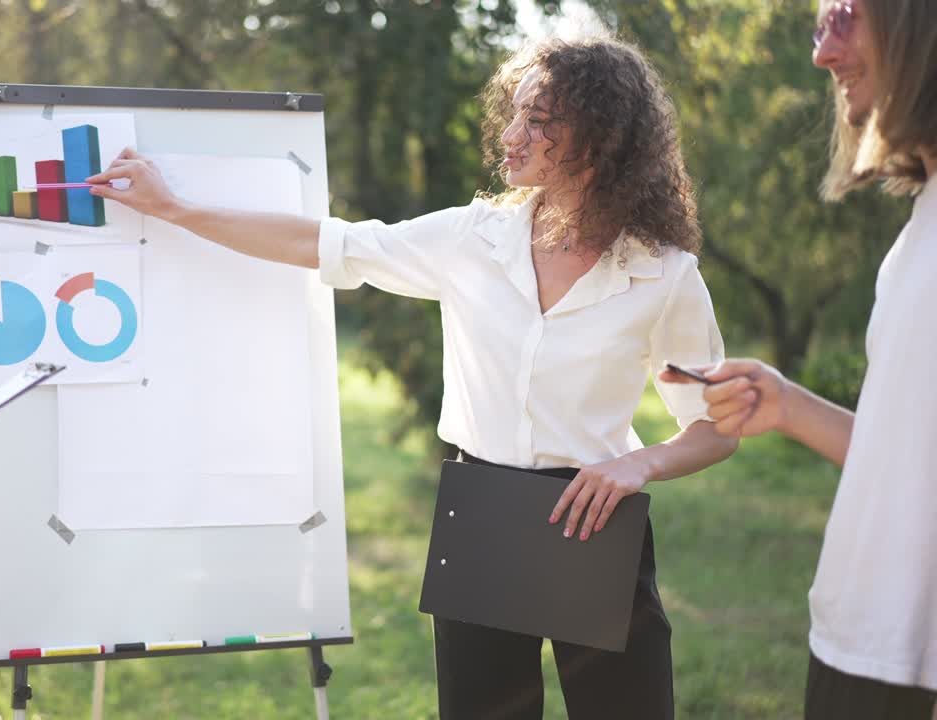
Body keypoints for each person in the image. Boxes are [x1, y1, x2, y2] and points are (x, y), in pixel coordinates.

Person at [90, 35, 737, 719]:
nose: (510, 135)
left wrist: (639, 465)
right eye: (515, 114)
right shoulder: (470, 239)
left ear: (599, 138)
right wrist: (175, 209)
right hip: (481, 517)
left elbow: (717, 427)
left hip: (595, 519)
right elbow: (323, 241)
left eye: (538, 120)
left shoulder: (664, 275)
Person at [660, 1, 937, 717]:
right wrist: (786, 406)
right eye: (819, 26)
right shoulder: (918, 230)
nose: (822, 53)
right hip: (859, 638)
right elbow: (906, 463)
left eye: (843, 17)